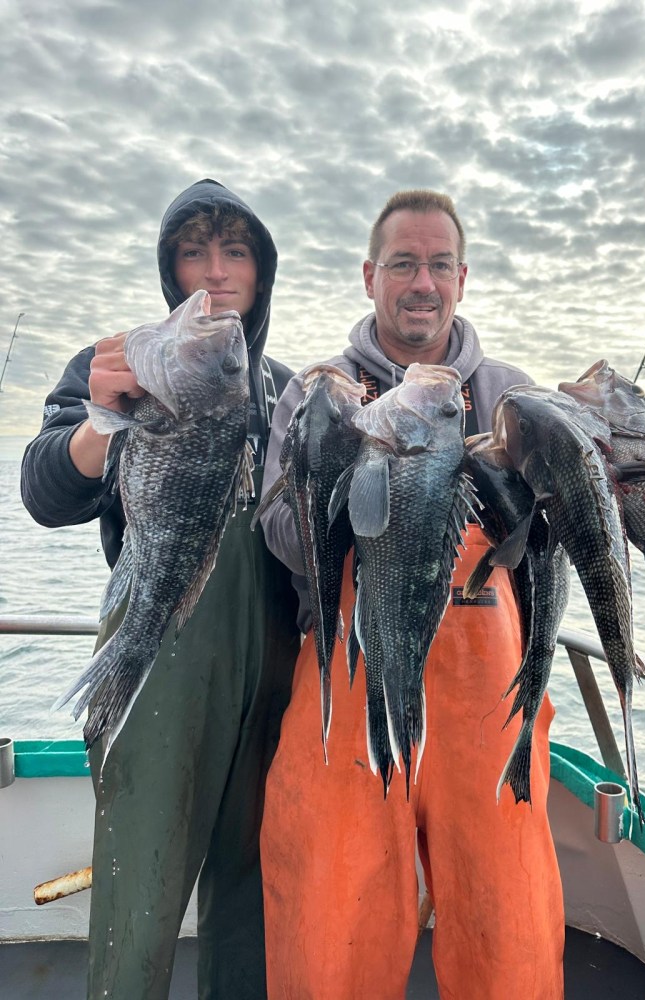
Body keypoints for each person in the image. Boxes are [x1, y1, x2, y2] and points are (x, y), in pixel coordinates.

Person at [258, 190, 565, 999]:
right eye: (402, 264)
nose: (420, 281)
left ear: (461, 278)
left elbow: (550, 541)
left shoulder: (514, 396)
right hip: (349, 697)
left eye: (437, 264)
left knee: (512, 935)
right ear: (370, 276)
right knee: (331, 933)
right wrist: (357, 489)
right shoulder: (319, 393)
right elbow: (280, 539)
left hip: (486, 708)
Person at [21, 178, 300, 1000]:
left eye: (235, 250)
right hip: (156, 653)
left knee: (251, 895)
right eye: (193, 251)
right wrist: (100, 426)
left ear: (262, 269)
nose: (214, 271)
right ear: (170, 268)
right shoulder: (120, 364)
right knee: (138, 889)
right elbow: (43, 493)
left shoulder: (286, 388)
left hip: (276, 665)